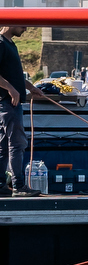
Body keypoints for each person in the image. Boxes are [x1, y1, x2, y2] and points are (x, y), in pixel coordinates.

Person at [0, 23, 34, 194]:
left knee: (4, 146)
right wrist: (11, 89)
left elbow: (14, 74)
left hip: (7, 103)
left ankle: (1, 185)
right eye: (23, 25)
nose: (26, 29)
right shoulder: (1, 44)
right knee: (17, 143)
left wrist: (31, 87)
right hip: (9, 103)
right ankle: (18, 185)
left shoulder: (9, 44)